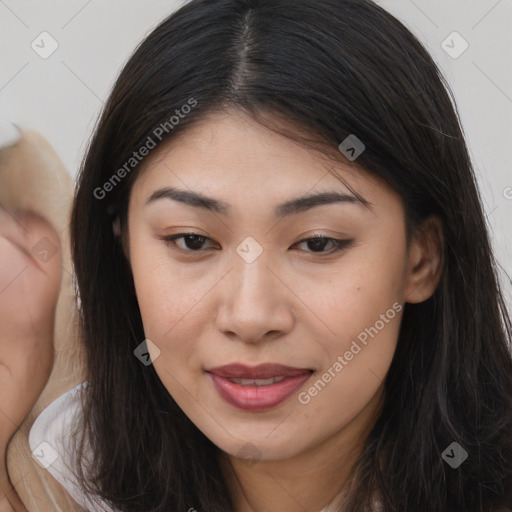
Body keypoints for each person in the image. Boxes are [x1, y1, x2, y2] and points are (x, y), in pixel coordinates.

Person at [26, 0, 512, 510]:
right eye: (192, 240)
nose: (251, 316)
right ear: (123, 250)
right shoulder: (45, 480)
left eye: (318, 243)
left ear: (422, 260)